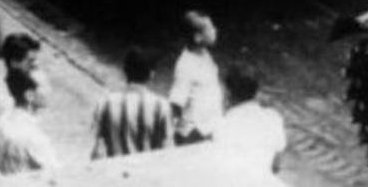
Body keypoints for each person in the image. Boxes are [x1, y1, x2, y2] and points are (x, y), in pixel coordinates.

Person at [91, 47, 174, 158]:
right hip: (149, 167)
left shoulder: (105, 103)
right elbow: (168, 150)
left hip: (116, 167)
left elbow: (97, 150)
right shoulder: (161, 106)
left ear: (125, 71)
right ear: (151, 74)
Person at [214, 65, 286, 175]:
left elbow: (219, 166)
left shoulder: (224, 122)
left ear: (228, 93)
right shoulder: (273, 117)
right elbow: (276, 165)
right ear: (256, 93)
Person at [169, 10, 223, 145]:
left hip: (209, 127)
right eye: (210, 28)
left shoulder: (205, 54)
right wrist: (181, 133)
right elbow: (176, 103)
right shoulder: (185, 65)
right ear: (198, 37)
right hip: (194, 133)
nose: (215, 30)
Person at [0, 68, 59, 174]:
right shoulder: (35, 137)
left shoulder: (2, 119)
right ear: (29, 96)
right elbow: (55, 173)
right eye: (45, 86)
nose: (49, 90)